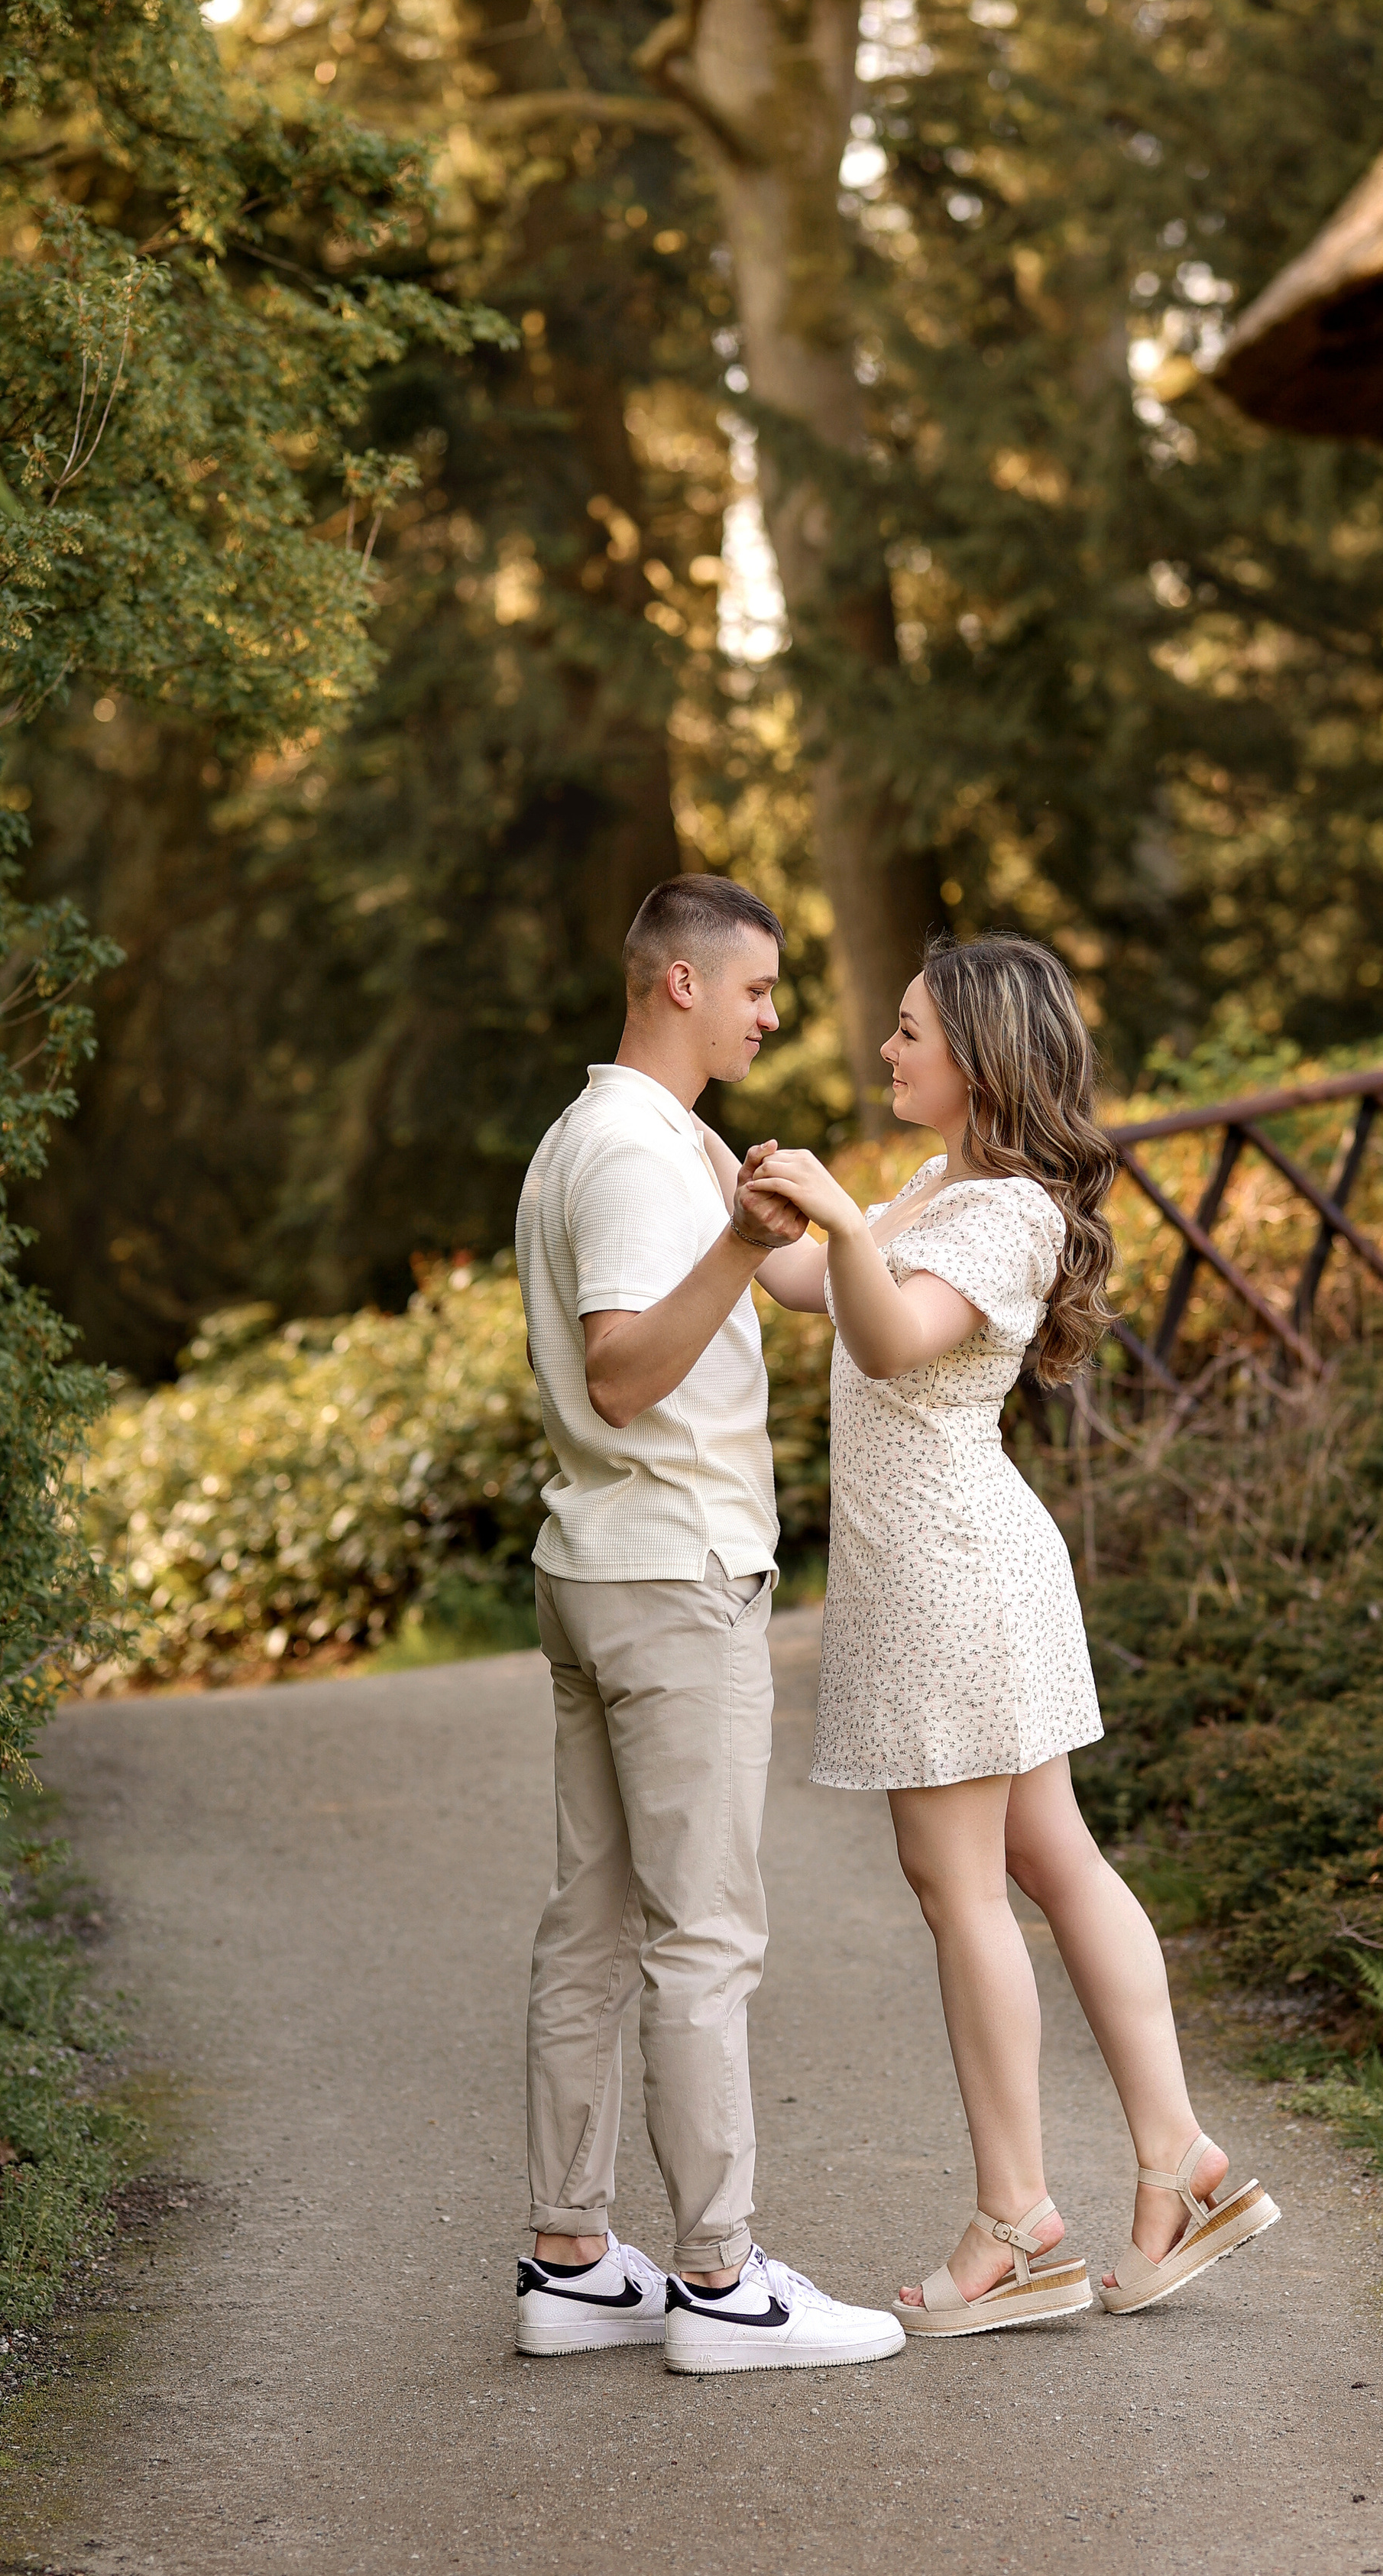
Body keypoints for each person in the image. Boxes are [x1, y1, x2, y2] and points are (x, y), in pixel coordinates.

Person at [744, 932, 1278, 2336]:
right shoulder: (940, 1188)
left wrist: (841, 1224)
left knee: (961, 1884)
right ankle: (1180, 2162)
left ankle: (1018, 2221)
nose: (886, 1048)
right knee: (1049, 1857)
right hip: (961, 1571)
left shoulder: (1009, 1213)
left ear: (979, 1058)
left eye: (908, 1029)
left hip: (951, 1580)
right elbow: (804, 1285)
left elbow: (891, 1336)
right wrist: (733, 1187)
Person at [511, 873, 906, 2376]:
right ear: (679, 982)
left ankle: (570, 2265)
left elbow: (805, 1277)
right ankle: (722, 2282)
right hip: (671, 1580)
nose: (772, 1015)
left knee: (597, 1922)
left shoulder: (647, 1136)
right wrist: (739, 1246)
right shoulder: (629, 1153)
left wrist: (915, 1203)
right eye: (755, 989)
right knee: (705, 1936)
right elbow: (622, 1373)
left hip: (605, 1565)